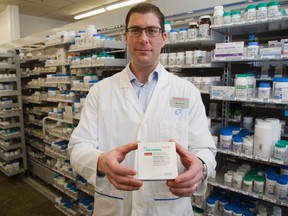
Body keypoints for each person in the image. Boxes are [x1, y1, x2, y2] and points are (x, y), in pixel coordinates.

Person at [68, 2, 216, 216]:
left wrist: (200, 167)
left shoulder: (187, 92)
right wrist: (101, 162)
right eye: (135, 30)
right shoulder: (100, 92)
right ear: (125, 37)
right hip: (116, 206)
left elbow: (205, 148)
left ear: (163, 38)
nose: (143, 38)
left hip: (169, 207)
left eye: (152, 31)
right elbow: (78, 146)